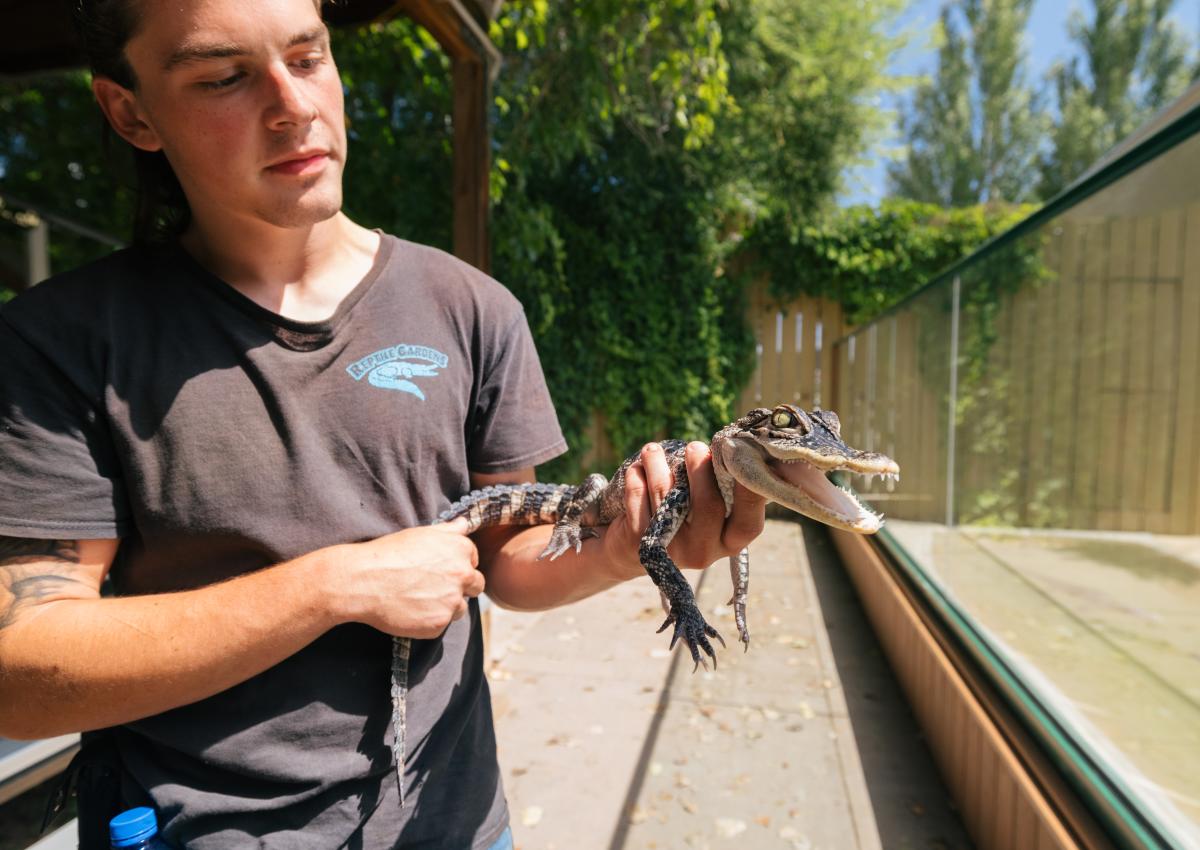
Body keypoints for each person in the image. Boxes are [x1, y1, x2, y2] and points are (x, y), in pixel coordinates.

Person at [0, 0, 767, 847]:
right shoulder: (59, 341)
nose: (292, 105)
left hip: (454, 822)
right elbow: (21, 673)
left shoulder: (471, 308)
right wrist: (335, 589)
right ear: (131, 111)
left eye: (308, 55)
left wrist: (625, 549)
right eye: (224, 77)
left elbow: (503, 557)